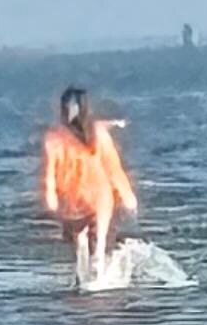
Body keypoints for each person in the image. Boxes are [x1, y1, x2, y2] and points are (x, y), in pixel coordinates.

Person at [35, 85, 140, 284]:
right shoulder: (55, 138)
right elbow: (50, 172)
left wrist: (127, 195)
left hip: (98, 197)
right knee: (80, 245)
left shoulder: (95, 134)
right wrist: (51, 197)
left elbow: (113, 167)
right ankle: (86, 280)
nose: (68, 111)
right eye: (66, 106)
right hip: (74, 201)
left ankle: (96, 280)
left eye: (71, 106)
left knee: (97, 243)